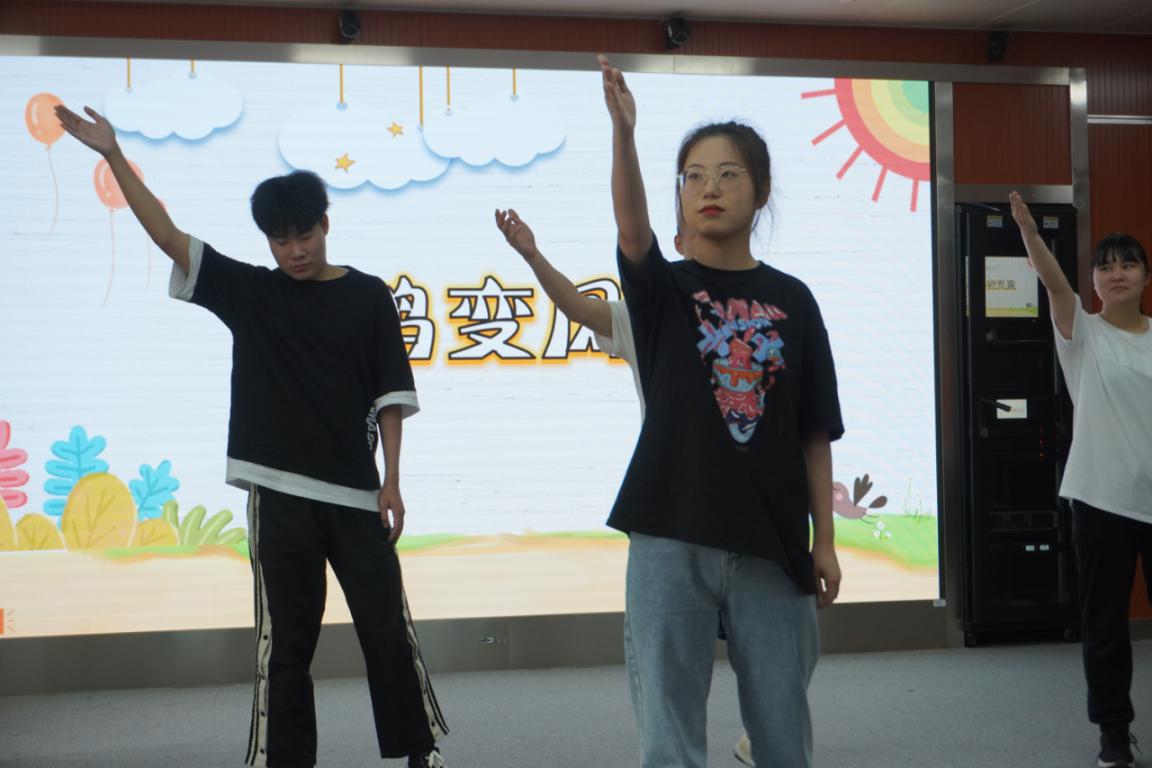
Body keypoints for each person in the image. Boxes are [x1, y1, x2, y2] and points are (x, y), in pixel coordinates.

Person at [55, 104, 448, 768]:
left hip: (357, 496)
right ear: (267, 241)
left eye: (304, 235)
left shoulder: (368, 297)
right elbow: (170, 238)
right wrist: (114, 155)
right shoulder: (252, 293)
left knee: (387, 629)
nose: (295, 251)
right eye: (280, 240)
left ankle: (420, 752)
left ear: (326, 225)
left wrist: (392, 481)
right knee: (286, 645)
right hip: (280, 495)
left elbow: (389, 396)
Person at [597, 55, 844, 768]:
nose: (709, 188)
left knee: (782, 735)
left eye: (729, 174)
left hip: (771, 541)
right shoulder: (662, 292)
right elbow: (632, 229)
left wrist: (825, 540)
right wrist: (624, 133)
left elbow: (814, 431)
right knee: (669, 735)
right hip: (669, 533)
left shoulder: (794, 300)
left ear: (760, 192)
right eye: (694, 176)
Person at [494, 208, 757, 766]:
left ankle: (762, 731)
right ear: (677, 245)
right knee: (671, 667)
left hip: (753, 508)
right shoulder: (650, 313)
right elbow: (577, 307)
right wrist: (533, 256)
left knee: (772, 643)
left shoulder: (764, 306)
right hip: (675, 511)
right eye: (691, 234)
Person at [1010, 192, 1151, 768]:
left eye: (1128, 264)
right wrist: (1030, 234)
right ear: (1093, 280)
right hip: (1099, 499)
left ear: (1145, 276)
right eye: (1106, 265)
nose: (1117, 273)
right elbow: (1054, 284)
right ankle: (1114, 735)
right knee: (1106, 624)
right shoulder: (1083, 332)